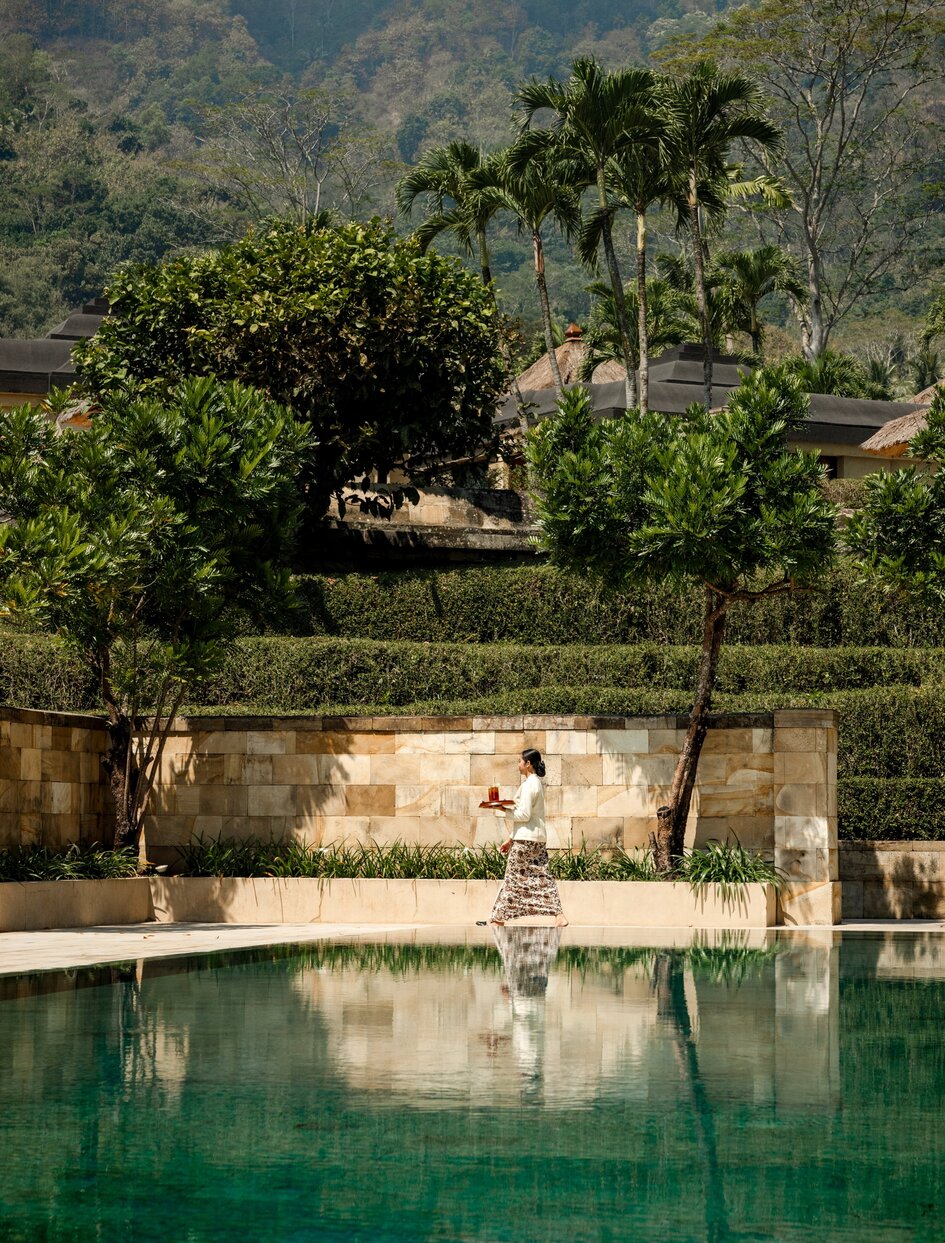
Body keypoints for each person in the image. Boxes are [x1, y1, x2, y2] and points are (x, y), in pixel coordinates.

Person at [487, 747, 567, 928]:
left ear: (528, 764)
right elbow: (529, 819)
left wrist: (503, 810)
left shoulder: (530, 784)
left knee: (512, 877)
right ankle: (559, 915)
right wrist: (510, 839)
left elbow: (524, 815)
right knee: (542, 877)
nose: (518, 764)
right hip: (535, 839)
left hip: (525, 842)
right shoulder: (534, 783)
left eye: (519, 761)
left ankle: (498, 918)